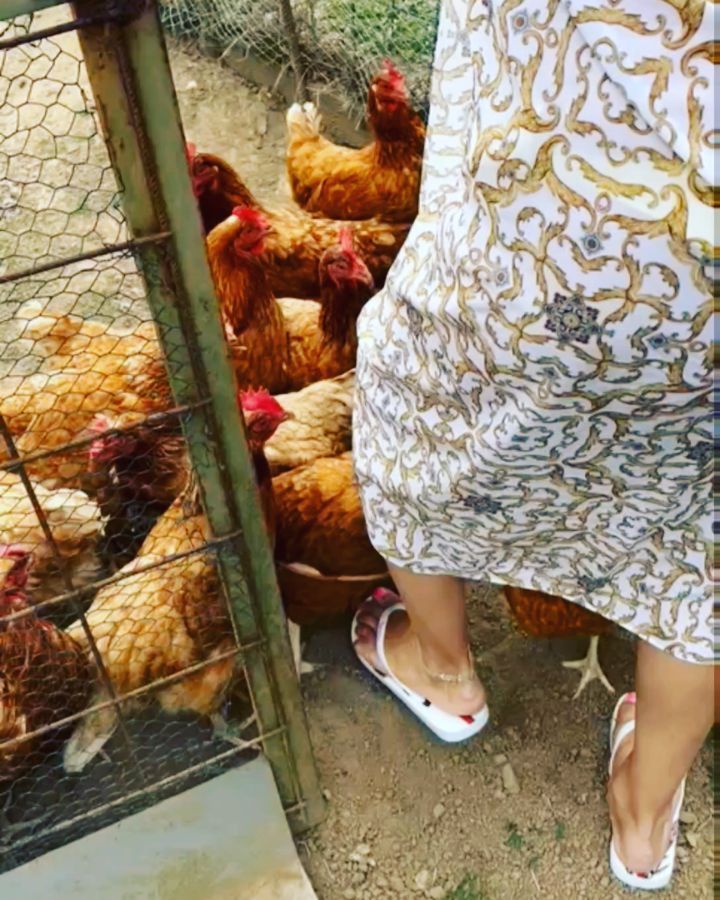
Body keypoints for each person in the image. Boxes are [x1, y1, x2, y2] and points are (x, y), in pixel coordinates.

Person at [351, 0, 715, 890]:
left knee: (406, 406)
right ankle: (642, 827)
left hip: (540, 231)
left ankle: (445, 672)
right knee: (703, 554)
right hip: (705, 295)